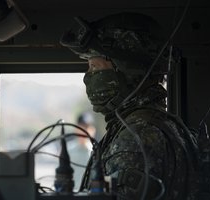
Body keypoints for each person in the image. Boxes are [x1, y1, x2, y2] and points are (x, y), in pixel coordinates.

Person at [60, 12, 200, 199]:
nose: (88, 77)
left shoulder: (137, 137)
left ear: (127, 71)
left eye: (95, 67)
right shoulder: (157, 124)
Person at [68, 112, 97, 190]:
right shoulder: (67, 150)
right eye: (81, 127)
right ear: (76, 128)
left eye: (87, 127)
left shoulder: (97, 152)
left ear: (93, 130)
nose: (84, 131)